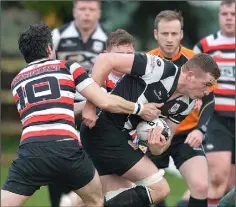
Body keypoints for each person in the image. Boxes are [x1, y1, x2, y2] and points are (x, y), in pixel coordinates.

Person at [1, 22, 161, 207]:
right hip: (65, 148)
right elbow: (104, 101)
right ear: (49, 48)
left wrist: (86, 105)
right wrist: (140, 109)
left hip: (30, 151)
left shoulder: (17, 81)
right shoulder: (67, 66)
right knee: (95, 200)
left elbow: (55, 109)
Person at [80, 47, 220, 206]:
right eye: (207, 84)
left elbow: (166, 140)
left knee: (120, 197)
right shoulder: (158, 68)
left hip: (119, 137)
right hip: (103, 128)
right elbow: (104, 59)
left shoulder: (188, 103)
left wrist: (157, 147)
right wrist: (91, 104)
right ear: (190, 75)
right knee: (159, 189)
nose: (208, 91)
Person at [60, 28, 136, 207]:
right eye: (119, 54)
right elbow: (87, 108)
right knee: (113, 194)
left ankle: (72, 201)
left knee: (117, 194)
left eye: (129, 54)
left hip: (125, 144)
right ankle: (72, 201)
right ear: (105, 55)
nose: (124, 59)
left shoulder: (139, 79)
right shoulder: (95, 81)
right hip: (99, 145)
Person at [147, 10, 216, 207]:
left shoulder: (198, 62)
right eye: (165, 33)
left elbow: (210, 100)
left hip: (186, 135)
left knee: (202, 186)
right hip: (153, 133)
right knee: (153, 192)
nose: (169, 39)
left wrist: (199, 129)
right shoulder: (145, 62)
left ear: (181, 34)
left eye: (174, 34)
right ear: (156, 34)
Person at [51, 0, 107, 205]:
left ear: (99, 13)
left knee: (95, 164)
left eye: (92, 9)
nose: (86, 14)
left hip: (95, 108)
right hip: (62, 106)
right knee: (57, 161)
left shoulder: (107, 39)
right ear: (74, 11)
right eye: (82, 9)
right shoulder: (57, 36)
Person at [193, 1, 235, 206]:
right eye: (225, 13)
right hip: (217, 118)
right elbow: (191, 78)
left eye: (233, 14)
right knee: (217, 177)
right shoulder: (206, 46)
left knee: (232, 188)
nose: (229, 18)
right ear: (219, 16)